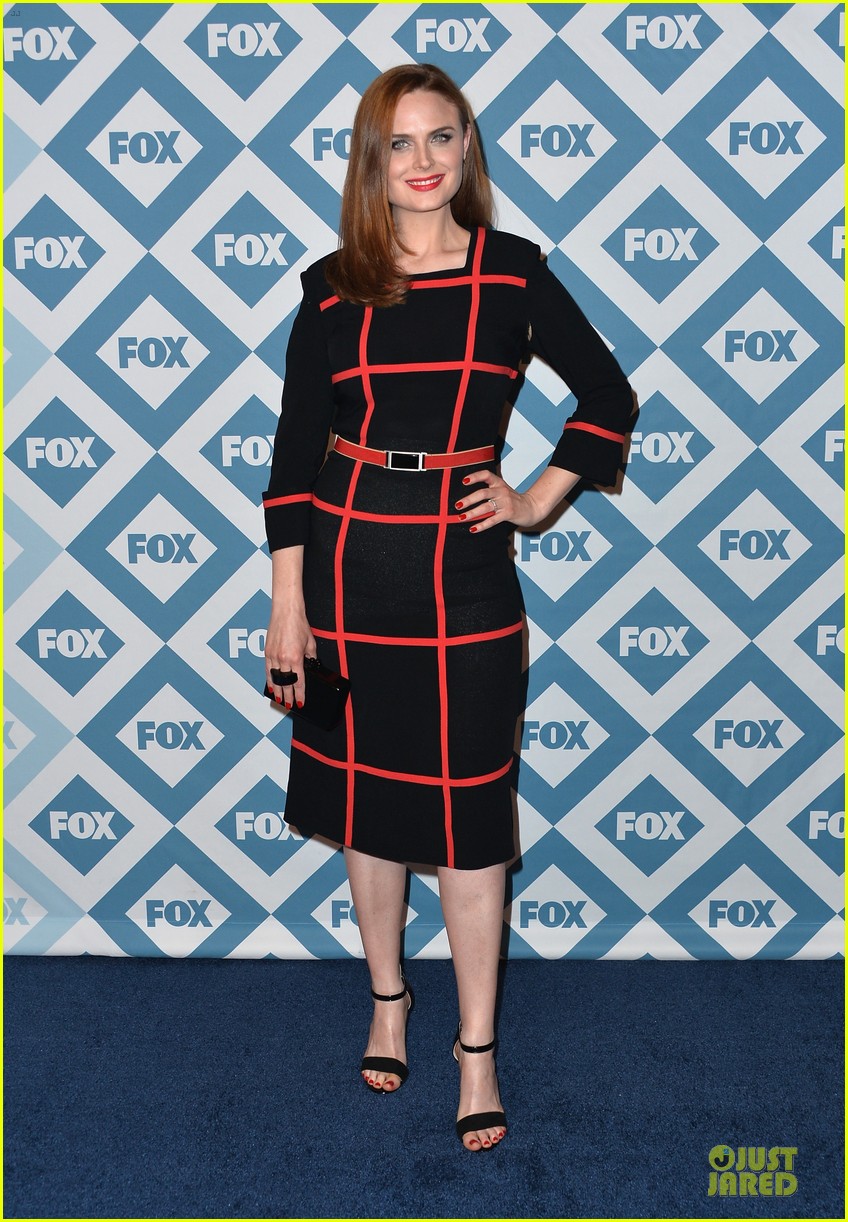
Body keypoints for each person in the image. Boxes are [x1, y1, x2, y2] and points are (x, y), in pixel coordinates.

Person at [263, 63, 634, 1151]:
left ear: (467, 148)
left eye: (440, 137)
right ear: (370, 163)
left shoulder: (512, 273)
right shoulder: (332, 287)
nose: (420, 162)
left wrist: (533, 500)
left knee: (472, 820)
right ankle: (388, 999)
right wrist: (287, 604)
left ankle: (476, 1050)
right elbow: (292, 457)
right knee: (365, 807)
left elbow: (607, 397)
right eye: (398, 143)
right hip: (345, 565)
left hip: (465, 575)